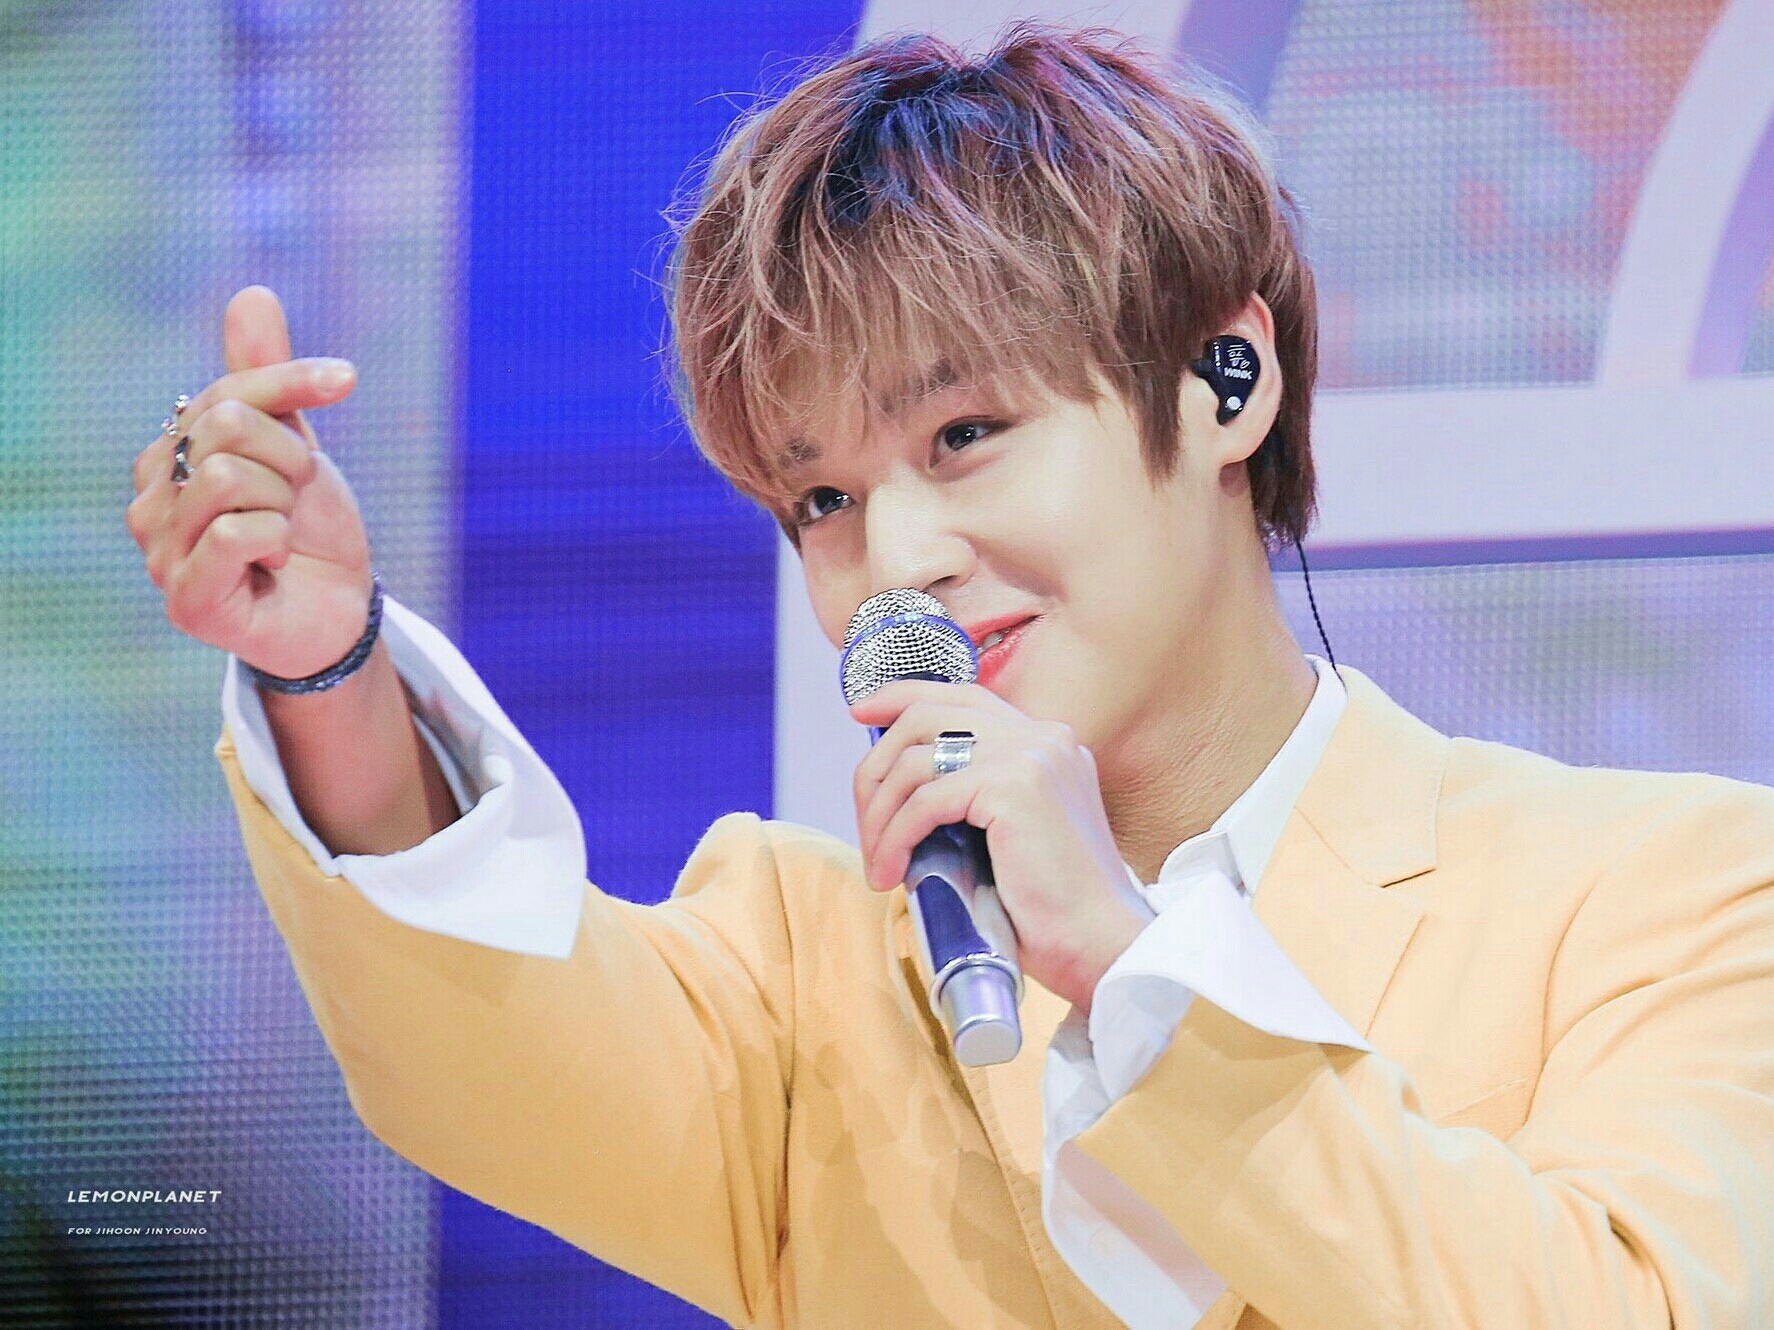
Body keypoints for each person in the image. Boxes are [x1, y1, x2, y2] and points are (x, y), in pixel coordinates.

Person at [125, 21, 1774, 1330]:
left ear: (1224, 378)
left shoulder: (1668, 894)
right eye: (821, 499)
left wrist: (1129, 964)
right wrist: (326, 657)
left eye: (963, 433)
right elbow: (482, 1053)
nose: (895, 557)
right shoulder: (810, 965)